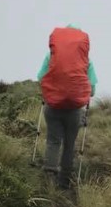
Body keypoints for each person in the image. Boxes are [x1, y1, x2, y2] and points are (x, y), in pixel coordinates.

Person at [37, 24, 98, 189]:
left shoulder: (51, 56)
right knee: (70, 144)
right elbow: (91, 90)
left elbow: (40, 78)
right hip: (74, 110)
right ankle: (64, 182)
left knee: (53, 141)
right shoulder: (87, 61)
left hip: (53, 106)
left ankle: (49, 176)